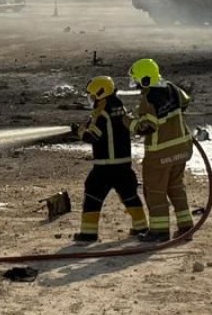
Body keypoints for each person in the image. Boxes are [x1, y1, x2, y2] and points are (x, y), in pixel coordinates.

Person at [72, 76, 149, 243]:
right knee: (129, 195)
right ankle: (141, 227)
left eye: (93, 96)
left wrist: (79, 132)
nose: (91, 99)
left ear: (101, 93)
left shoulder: (103, 114)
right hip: (124, 165)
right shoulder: (119, 106)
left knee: (92, 195)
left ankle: (88, 233)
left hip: (105, 166)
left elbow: (92, 137)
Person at [128, 57, 194, 241]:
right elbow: (185, 102)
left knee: (155, 192)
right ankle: (186, 227)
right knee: (176, 188)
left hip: (160, 155)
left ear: (145, 79)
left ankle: (159, 231)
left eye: (137, 80)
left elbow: (146, 127)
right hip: (182, 149)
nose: (136, 85)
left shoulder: (148, 100)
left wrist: (128, 121)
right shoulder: (173, 88)